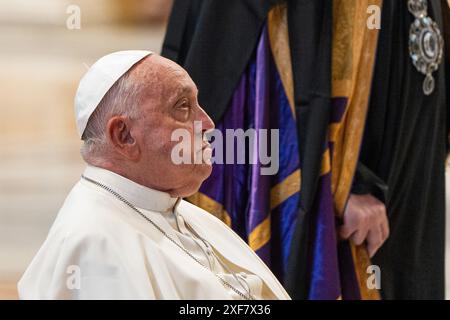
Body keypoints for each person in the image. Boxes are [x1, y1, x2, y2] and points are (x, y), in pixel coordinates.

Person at [17, 50, 290, 300]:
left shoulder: (176, 209)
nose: (207, 123)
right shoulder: (94, 246)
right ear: (123, 136)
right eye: (183, 107)